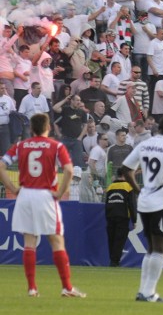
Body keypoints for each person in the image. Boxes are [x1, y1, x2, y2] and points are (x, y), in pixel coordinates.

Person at [0, 113, 87, 298]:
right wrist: (60, 191)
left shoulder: (21, 145)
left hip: (24, 195)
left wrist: (12, 188)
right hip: (45, 195)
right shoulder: (56, 146)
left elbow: (1, 166)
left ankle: (32, 288)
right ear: (48, 128)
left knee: (29, 242)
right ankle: (67, 287)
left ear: (31, 129)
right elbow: (70, 170)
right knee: (56, 240)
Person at [119, 114, 163, 303]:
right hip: (162, 201)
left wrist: (138, 189)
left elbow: (126, 168)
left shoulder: (145, 144)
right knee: (160, 247)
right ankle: (149, 293)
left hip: (145, 201)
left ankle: (143, 291)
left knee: (151, 247)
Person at [105, 170, 137, 267]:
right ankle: (115, 261)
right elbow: (132, 204)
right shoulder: (128, 186)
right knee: (119, 239)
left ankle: (112, 259)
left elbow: (106, 204)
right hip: (122, 217)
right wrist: (134, 220)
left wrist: (107, 217)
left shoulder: (110, 187)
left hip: (110, 216)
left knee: (111, 239)